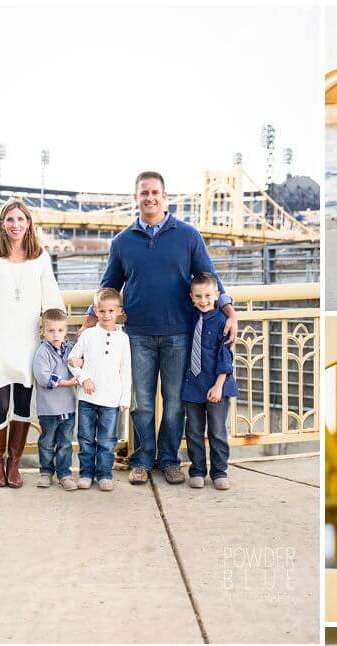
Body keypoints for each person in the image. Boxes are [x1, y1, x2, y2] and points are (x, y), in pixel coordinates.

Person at [83, 171, 238, 486]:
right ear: (136, 197)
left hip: (180, 334)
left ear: (165, 196)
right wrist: (87, 325)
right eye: (144, 193)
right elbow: (108, 287)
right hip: (137, 334)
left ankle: (169, 460)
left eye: (155, 192)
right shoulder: (122, 241)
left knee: (174, 403)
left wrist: (230, 312)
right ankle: (141, 460)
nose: (150, 198)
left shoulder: (188, 235)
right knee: (141, 403)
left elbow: (210, 279)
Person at [0, 198, 65, 487]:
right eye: (10, 219)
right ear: (2, 223)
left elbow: (52, 300)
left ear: (29, 223)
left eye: (21, 219)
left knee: (24, 405)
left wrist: (67, 338)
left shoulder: (40, 257)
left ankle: (14, 465)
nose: (15, 225)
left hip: (27, 343)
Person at [67, 288, 131, 492]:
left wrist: (125, 398)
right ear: (95, 311)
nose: (106, 315)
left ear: (119, 311)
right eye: (102, 311)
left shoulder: (123, 338)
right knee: (86, 438)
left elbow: (125, 369)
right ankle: (86, 473)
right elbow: (72, 361)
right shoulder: (88, 335)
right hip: (87, 398)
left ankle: (104, 474)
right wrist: (83, 378)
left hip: (111, 400)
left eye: (111, 311)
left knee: (106, 440)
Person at [182, 272, 239, 490]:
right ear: (191, 297)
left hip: (217, 386)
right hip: (192, 385)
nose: (203, 301)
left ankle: (219, 471)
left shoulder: (223, 322)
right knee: (194, 430)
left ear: (216, 295)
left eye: (207, 295)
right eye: (198, 296)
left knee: (216, 430)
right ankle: (197, 470)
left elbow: (226, 356)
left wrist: (218, 385)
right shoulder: (190, 316)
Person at [32, 308, 79, 490]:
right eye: (51, 331)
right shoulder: (42, 352)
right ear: (43, 331)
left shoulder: (70, 350)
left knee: (65, 443)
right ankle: (45, 472)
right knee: (47, 442)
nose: (56, 335)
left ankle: (64, 474)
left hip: (68, 407)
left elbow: (77, 364)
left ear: (66, 331)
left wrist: (80, 363)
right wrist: (67, 383)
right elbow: (43, 377)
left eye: (60, 330)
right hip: (48, 409)